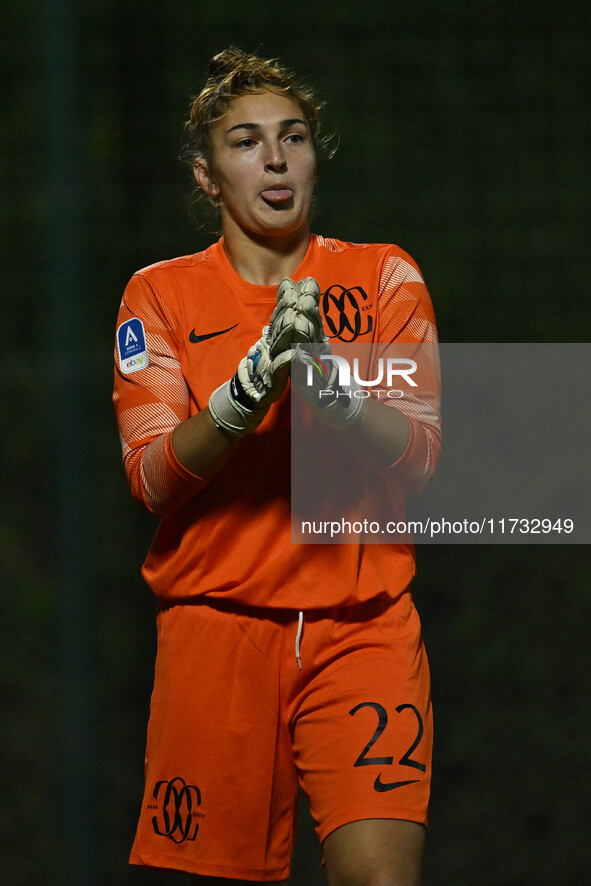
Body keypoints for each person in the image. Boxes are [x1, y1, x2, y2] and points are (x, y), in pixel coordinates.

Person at [113, 47, 441, 886]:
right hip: (216, 633)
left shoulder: (381, 276)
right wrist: (248, 388)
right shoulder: (159, 295)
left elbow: (420, 456)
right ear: (206, 175)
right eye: (246, 141)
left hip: (360, 627)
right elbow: (151, 475)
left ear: (312, 153)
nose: (274, 158)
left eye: (292, 137)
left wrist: (330, 390)